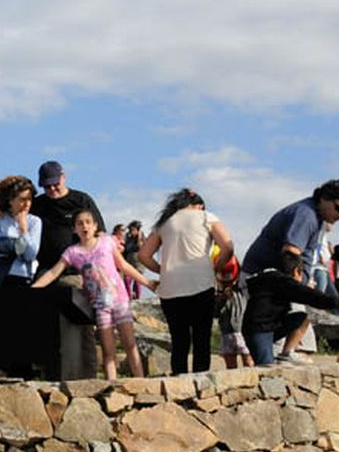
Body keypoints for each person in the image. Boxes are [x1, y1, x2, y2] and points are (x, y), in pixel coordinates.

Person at [240, 178, 339, 360]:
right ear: (324, 199)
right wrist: (299, 286)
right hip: (269, 284)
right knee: (277, 325)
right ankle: (281, 356)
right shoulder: (306, 215)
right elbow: (291, 253)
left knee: (300, 317)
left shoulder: (315, 217)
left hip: (278, 282)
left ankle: (284, 354)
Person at [35, 209, 155, 379]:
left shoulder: (106, 243)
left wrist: (148, 283)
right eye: (80, 223)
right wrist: (34, 288)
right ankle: (111, 386)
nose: (84, 226)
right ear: (74, 229)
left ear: (94, 226)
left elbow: (124, 266)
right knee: (108, 350)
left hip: (119, 299)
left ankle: (140, 382)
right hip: (100, 306)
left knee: (130, 344)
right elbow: (54, 272)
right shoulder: (73, 252)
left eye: (88, 222)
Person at [138, 188, 233, 375]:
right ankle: (202, 388)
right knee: (201, 339)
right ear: (199, 205)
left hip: (170, 289)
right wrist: (214, 268)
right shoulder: (206, 216)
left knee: (179, 341)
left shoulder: (164, 223)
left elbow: (143, 255)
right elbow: (228, 247)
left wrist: (163, 270)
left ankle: (178, 385)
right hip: (201, 284)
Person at [30, 160, 106, 380]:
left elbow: (99, 233)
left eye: (55, 184)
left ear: (63, 177)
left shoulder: (81, 200)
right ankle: (50, 375)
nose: (52, 190)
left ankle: (86, 377)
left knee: (82, 326)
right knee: (48, 326)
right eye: (47, 186)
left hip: (76, 272)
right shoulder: (39, 204)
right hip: (46, 271)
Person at [242, 250, 339, 366]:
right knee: (266, 369)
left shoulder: (270, 279)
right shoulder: (282, 282)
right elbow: (306, 294)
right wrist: (334, 302)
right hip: (259, 330)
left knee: (301, 317)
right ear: (296, 271)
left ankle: (286, 354)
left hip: (266, 326)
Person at [0, 176, 41, 289]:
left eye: (29, 199)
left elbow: (30, 255)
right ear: (10, 200)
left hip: (21, 277)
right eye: (22, 199)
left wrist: (23, 230)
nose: (27, 204)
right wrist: (19, 249)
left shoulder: (34, 222)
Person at [215, 255, 253, 368]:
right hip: (227, 333)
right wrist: (222, 298)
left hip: (243, 331)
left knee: (249, 360)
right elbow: (215, 313)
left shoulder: (243, 288)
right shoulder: (217, 293)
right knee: (230, 365)